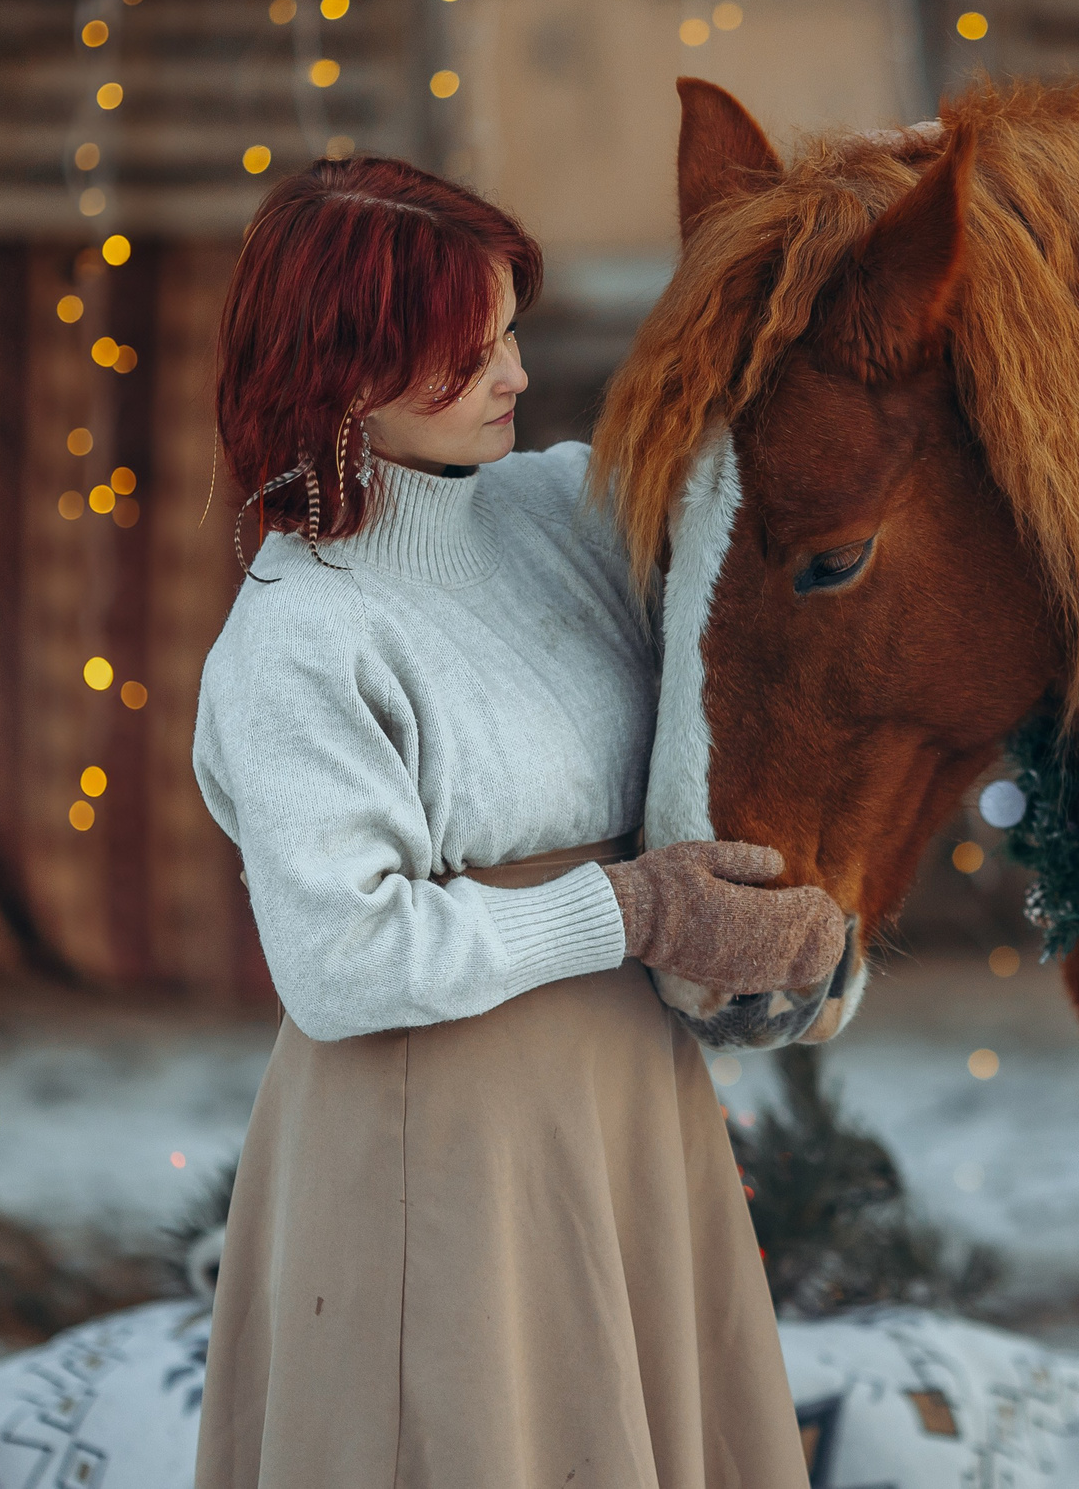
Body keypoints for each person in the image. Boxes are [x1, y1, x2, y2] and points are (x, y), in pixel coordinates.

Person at [190, 156, 841, 1488]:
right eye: (468, 352)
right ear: (344, 367)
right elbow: (345, 964)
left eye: (510, 334)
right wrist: (637, 910)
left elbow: (762, 595)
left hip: (624, 1112)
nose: (516, 376)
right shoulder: (302, 638)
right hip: (436, 1148)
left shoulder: (562, 511)